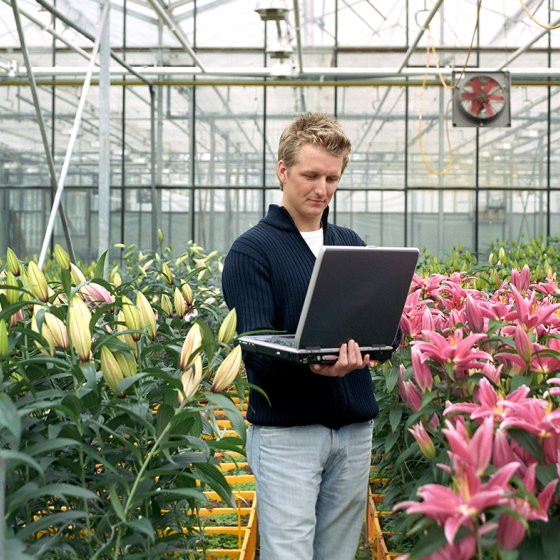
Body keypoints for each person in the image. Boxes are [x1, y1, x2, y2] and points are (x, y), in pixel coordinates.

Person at [221, 112, 400, 560]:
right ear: (282, 171)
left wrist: (379, 342)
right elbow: (257, 351)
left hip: (354, 429)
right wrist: (316, 366)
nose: (322, 189)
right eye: (311, 175)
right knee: (289, 553)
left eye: (333, 177)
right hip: (288, 433)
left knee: (338, 554)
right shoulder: (252, 250)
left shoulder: (349, 243)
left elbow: (387, 330)